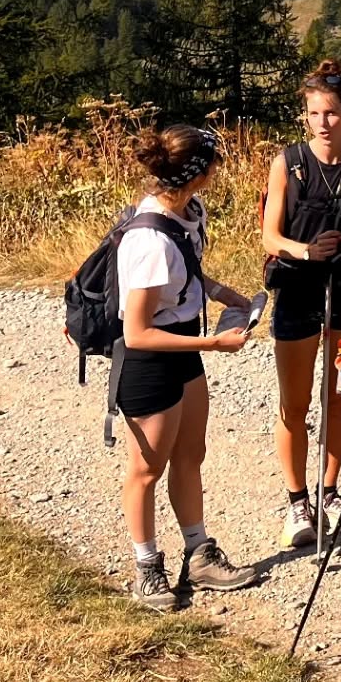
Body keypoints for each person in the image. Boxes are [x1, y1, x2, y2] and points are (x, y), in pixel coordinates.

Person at [116, 124, 258, 610]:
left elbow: (186, 269)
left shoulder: (185, 212)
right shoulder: (148, 241)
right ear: (198, 173)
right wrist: (215, 342)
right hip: (149, 358)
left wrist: (220, 294)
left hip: (180, 346)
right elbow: (136, 331)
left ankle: (197, 553)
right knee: (146, 468)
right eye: (215, 161)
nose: (220, 168)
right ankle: (146, 568)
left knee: (190, 453)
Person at [261, 60, 341, 548]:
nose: (323, 123)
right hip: (296, 287)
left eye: (331, 113)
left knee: (339, 396)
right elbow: (270, 234)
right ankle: (297, 502)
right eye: (314, 113)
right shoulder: (287, 162)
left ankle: (330, 493)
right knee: (295, 402)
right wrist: (304, 250)